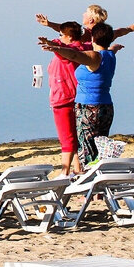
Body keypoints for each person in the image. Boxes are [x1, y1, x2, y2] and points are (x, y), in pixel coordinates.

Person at [40, 22, 117, 166]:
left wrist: (57, 48)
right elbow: (107, 49)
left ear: (93, 39)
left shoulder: (94, 57)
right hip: (106, 106)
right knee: (99, 145)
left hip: (90, 108)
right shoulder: (110, 55)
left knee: (87, 150)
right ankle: (97, 173)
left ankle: (87, 178)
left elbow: (74, 55)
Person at [45, 20, 85, 177]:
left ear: (69, 37)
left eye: (61, 35)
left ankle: (65, 171)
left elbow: (64, 50)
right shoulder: (77, 48)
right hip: (70, 95)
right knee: (73, 135)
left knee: (66, 137)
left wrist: (52, 45)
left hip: (64, 97)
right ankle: (77, 167)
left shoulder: (70, 52)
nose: (59, 37)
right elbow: (61, 47)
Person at [36, 5, 134, 43]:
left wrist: (49, 24)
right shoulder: (105, 34)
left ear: (91, 20)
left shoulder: (85, 33)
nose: (83, 14)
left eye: (86, 13)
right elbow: (119, 32)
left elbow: (66, 30)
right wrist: (130, 28)